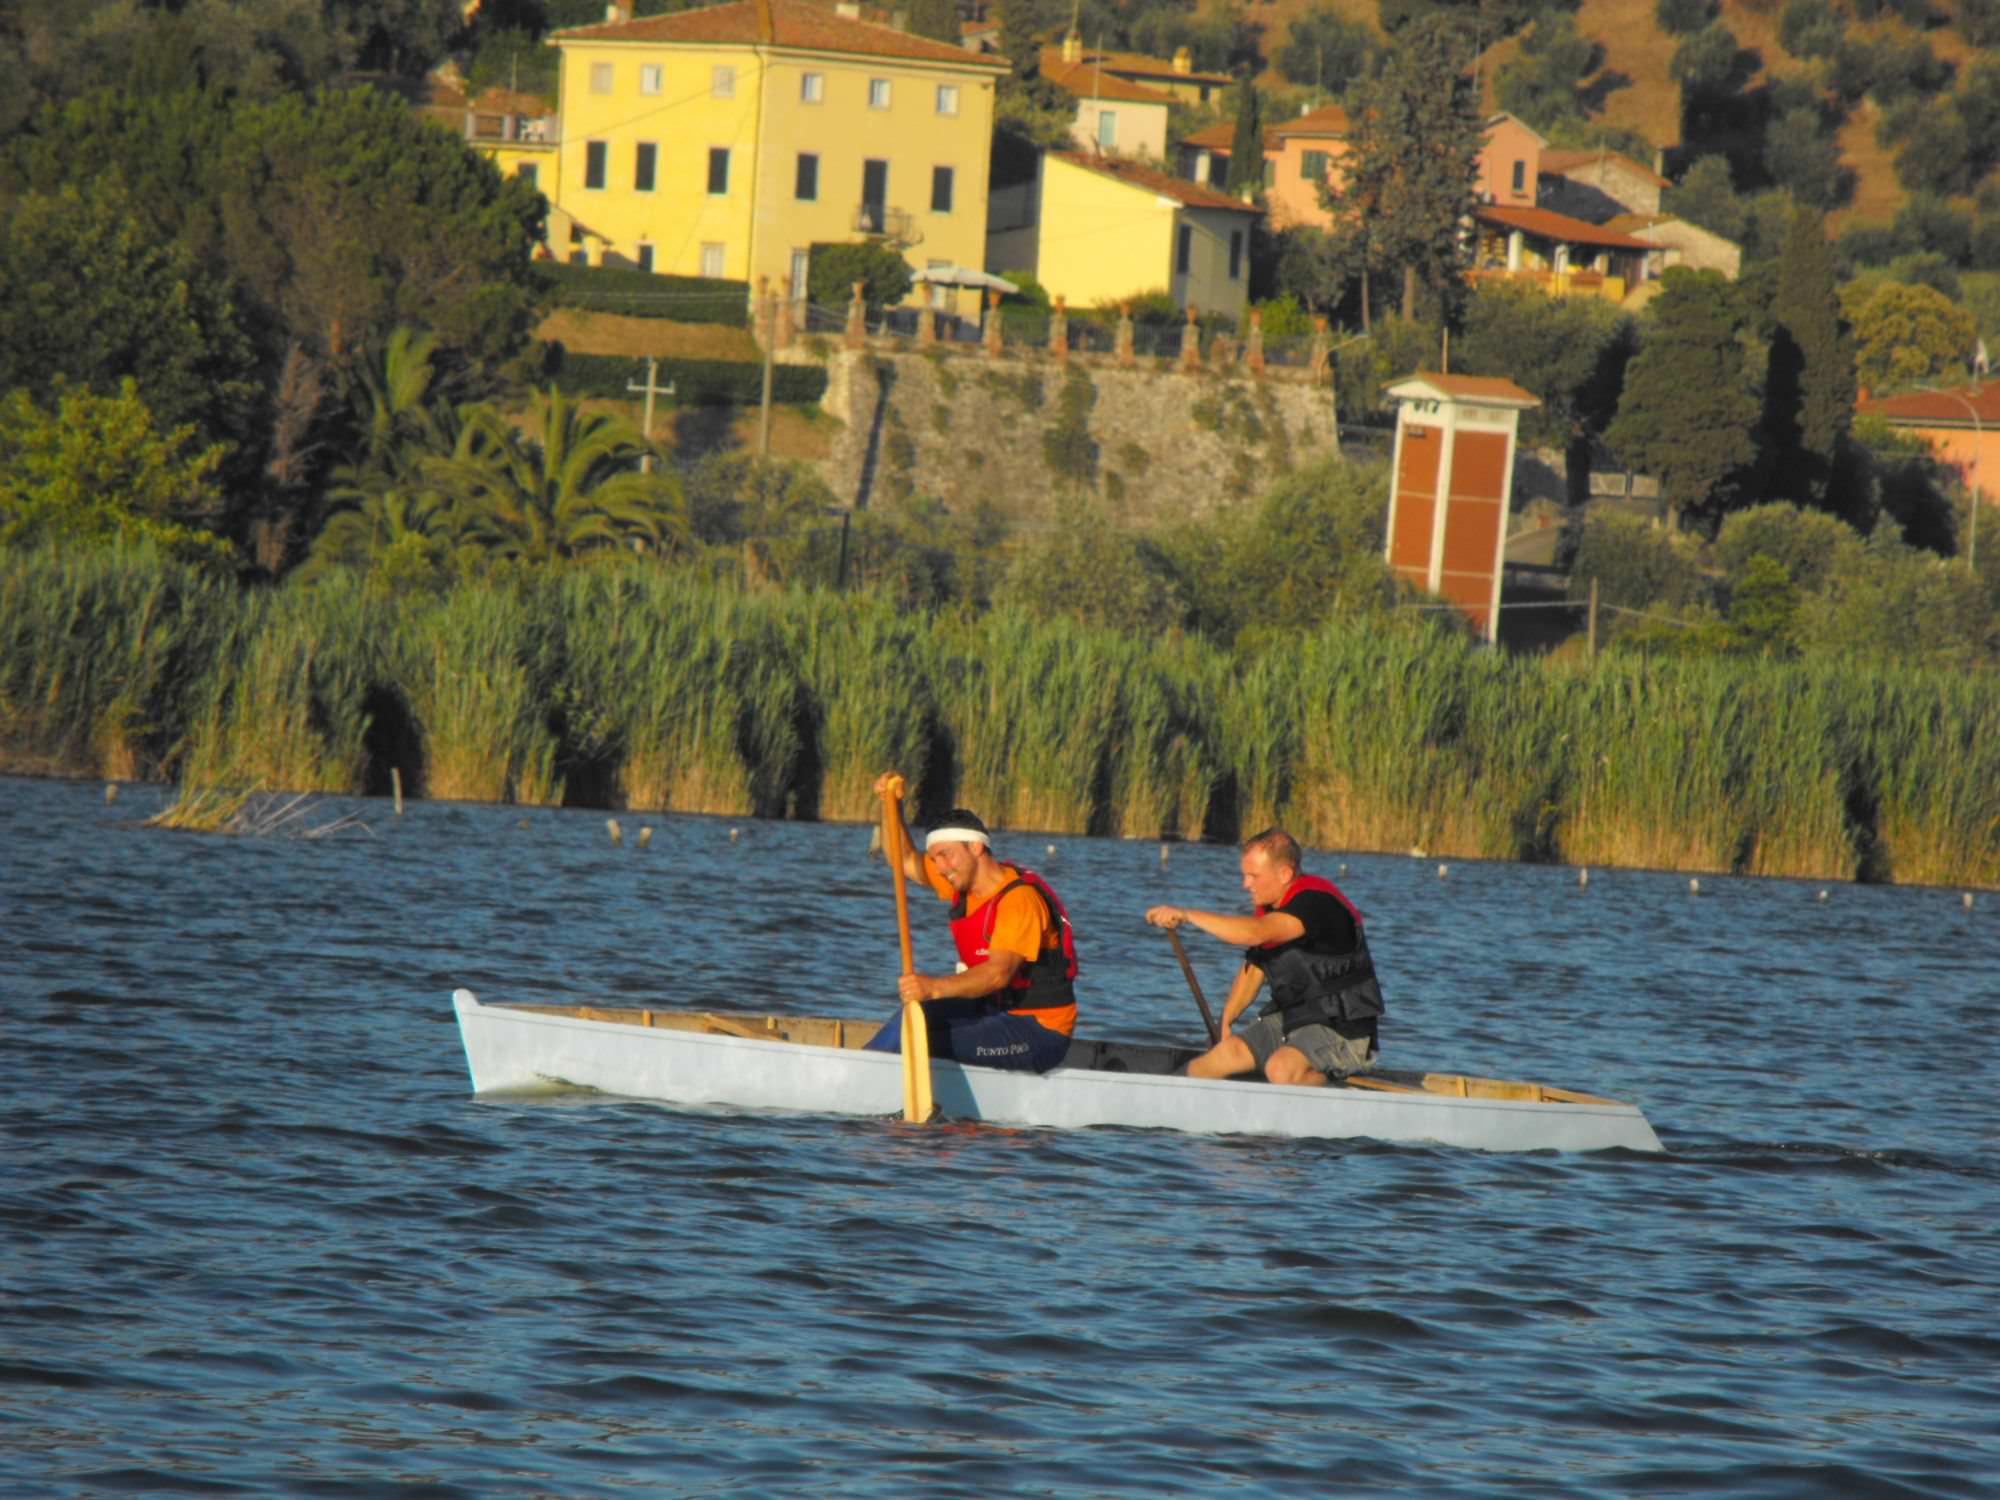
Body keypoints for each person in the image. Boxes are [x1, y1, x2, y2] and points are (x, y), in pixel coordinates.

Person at [864, 774, 1079, 1074]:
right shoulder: (961, 881)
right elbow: (904, 860)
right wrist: (889, 805)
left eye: (945, 856)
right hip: (993, 1012)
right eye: (935, 858)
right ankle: (863, 1067)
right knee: (913, 1016)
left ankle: (872, 1078)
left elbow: (997, 974)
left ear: (976, 848)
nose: (940, 868)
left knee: (920, 1043)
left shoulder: (1020, 901)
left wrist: (933, 987)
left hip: (1038, 1032)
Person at [1145, 829, 1383, 1086]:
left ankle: (1335, 1092)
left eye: (1253, 876)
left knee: (1280, 1069)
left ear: (1285, 874)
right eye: (1245, 875)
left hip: (1344, 1029)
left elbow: (1254, 934)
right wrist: (1225, 1021)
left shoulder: (1317, 904)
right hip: (1293, 1020)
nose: (1245, 884)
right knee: (1223, 1055)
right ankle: (1161, 1098)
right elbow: (1254, 969)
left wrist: (1187, 915)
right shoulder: (1272, 908)